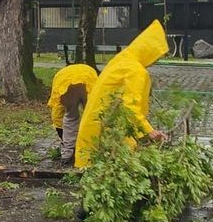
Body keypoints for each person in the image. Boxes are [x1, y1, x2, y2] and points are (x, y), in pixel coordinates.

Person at [74, 20, 169, 168]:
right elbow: (130, 106)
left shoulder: (122, 60)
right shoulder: (136, 71)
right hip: (107, 133)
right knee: (114, 169)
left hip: (97, 125)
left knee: (95, 167)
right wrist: (149, 131)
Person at [47, 64, 98, 165]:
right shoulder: (88, 70)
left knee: (71, 116)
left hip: (66, 83)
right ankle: (92, 149)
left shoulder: (61, 75)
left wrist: (62, 135)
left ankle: (68, 154)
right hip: (88, 77)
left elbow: (57, 116)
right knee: (91, 115)